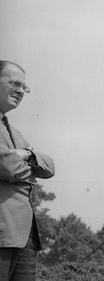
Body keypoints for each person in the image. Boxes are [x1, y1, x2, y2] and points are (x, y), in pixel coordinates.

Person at [0, 61, 55, 281]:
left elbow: (49, 167)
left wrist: (27, 155)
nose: (21, 91)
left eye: (25, 87)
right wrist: (29, 168)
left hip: (24, 236)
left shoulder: (14, 131)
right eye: (15, 83)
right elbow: (5, 164)